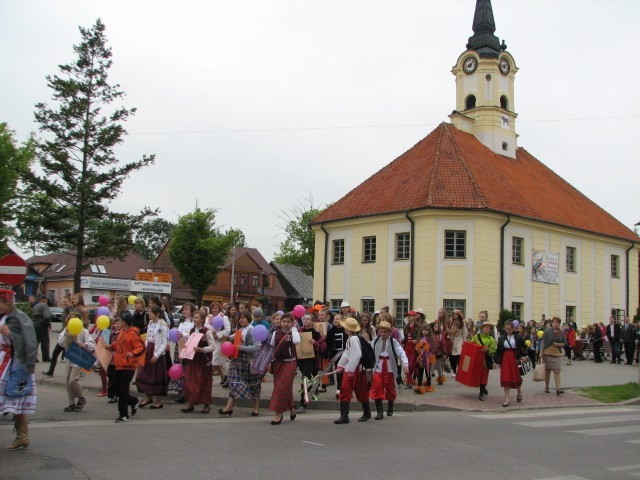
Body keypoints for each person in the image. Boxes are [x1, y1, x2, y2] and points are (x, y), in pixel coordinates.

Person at [0, 288, 37, 450]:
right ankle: (22, 436)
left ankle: (22, 437)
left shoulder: (19, 318)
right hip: (3, 360)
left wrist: (9, 334)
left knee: (17, 400)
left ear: (7, 302)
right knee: (14, 401)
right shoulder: (3, 317)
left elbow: (29, 342)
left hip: (15, 363)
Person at [218, 311, 262, 417]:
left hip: (248, 361)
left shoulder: (252, 331)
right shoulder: (239, 331)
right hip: (237, 360)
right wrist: (225, 338)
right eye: (240, 318)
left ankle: (256, 406)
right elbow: (231, 337)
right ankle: (229, 407)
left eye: (243, 318)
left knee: (252, 384)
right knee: (234, 382)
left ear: (248, 319)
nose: (241, 320)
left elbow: (257, 346)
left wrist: (243, 348)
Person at [106, 314, 145, 422]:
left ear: (125, 322)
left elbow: (141, 347)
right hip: (119, 364)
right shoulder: (123, 332)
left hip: (129, 366)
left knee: (123, 390)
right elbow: (119, 344)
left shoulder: (133, 334)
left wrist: (132, 353)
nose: (117, 323)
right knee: (118, 390)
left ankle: (123, 414)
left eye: (121, 321)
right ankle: (133, 401)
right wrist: (111, 346)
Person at [334, 317, 370, 424]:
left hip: (354, 370)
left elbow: (357, 354)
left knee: (347, 390)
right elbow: (347, 354)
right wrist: (340, 365)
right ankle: (362, 413)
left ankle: (345, 416)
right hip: (355, 369)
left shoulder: (353, 339)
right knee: (357, 391)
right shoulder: (352, 338)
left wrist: (349, 369)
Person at [370, 321, 408, 419]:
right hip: (378, 368)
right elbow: (370, 353)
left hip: (390, 368)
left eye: (385, 332)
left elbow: (401, 352)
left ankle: (390, 406)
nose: (382, 334)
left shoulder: (393, 342)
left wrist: (405, 364)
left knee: (390, 389)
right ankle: (380, 411)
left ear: (389, 332)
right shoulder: (375, 340)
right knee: (377, 387)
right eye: (381, 332)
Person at [268, 313, 301, 425]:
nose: (286, 324)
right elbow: (271, 346)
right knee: (284, 387)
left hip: (290, 363)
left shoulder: (293, 333)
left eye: (288, 322)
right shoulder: (275, 333)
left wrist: (294, 329)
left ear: (292, 323)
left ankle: (279, 413)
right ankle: (291, 407)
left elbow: (297, 341)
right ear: (280, 322)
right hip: (277, 363)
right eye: (284, 321)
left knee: (281, 387)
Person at [58, 316, 95, 412]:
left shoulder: (83, 331)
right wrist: (66, 334)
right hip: (70, 357)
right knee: (68, 382)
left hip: (79, 359)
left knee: (73, 381)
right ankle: (71, 403)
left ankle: (81, 398)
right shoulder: (67, 330)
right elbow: (60, 343)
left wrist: (84, 344)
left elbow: (92, 344)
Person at [181, 311, 215, 414]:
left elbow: (213, 346)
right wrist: (185, 347)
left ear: (202, 319)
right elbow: (191, 343)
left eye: (197, 317)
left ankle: (206, 404)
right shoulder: (192, 330)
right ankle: (191, 403)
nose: (195, 319)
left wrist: (202, 349)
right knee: (190, 381)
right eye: (194, 317)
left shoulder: (207, 331)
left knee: (203, 382)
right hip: (193, 360)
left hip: (203, 360)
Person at [136, 305, 169, 409]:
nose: (149, 314)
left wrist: (157, 355)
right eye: (149, 312)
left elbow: (165, 342)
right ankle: (147, 397)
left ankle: (159, 401)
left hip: (157, 352)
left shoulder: (163, 326)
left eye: (151, 312)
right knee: (145, 373)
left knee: (157, 376)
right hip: (149, 350)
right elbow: (147, 339)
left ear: (158, 314)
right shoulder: (150, 323)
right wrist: (145, 349)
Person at [296, 313, 324, 414]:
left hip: (312, 360)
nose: (305, 320)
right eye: (304, 319)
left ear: (312, 322)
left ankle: (302, 404)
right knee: (309, 379)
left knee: (305, 379)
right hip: (301, 359)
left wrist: (315, 343)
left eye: (308, 319)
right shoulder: (300, 331)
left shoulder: (316, 333)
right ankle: (312, 389)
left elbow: (323, 347)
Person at [495, 321, 527, 407]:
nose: (508, 331)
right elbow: (498, 350)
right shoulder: (501, 338)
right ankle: (507, 398)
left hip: (514, 358)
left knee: (515, 376)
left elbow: (523, 347)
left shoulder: (518, 337)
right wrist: (495, 360)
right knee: (506, 377)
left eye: (510, 329)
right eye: (507, 329)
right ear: (504, 329)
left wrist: (524, 356)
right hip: (505, 358)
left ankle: (519, 391)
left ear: (513, 328)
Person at [170, 303, 195, 403]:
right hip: (179, 347)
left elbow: (193, 334)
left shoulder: (193, 323)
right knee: (179, 369)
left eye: (187, 309)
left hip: (188, 348)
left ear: (192, 311)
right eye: (183, 310)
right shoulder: (182, 322)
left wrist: (183, 334)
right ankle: (180, 393)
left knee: (187, 370)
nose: (184, 311)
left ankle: (187, 393)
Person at [42, 294, 71, 377]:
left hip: (69, 334)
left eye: (66, 302)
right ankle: (50, 371)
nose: (64, 303)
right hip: (64, 333)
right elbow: (64, 323)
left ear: (70, 302)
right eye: (63, 301)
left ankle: (78, 372)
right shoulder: (65, 310)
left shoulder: (71, 310)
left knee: (73, 355)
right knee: (55, 353)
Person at [470, 321, 497, 401]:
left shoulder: (491, 339)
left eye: (489, 328)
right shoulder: (477, 336)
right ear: (482, 328)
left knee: (484, 376)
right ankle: (483, 388)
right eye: (486, 327)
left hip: (486, 360)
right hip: (477, 360)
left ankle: (481, 393)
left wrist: (488, 349)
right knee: (477, 375)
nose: (488, 329)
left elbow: (493, 351)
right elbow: (471, 344)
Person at [541, 317, 566, 395]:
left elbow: (564, 343)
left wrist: (558, 344)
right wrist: (541, 352)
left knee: (557, 371)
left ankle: (558, 389)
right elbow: (543, 342)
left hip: (557, 354)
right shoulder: (547, 331)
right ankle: (547, 386)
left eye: (557, 323)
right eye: (554, 322)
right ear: (552, 323)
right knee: (547, 371)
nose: (556, 324)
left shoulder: (561, 333)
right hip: (547, 353)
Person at [208, 302, 231, 387]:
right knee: (215, 361)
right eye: (212, 308)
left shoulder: (224, 317)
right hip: (211, 341)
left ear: (219, 309)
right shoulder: (209, 318)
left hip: (219, 342)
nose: (214, 310)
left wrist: (218, 335)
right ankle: (224, 376)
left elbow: (228, 330)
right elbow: (207, 328)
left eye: (216, 308)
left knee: (213, 360)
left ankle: (209, 379)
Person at [326, 313, 347, 398]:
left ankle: (340, 388)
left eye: (338, 319)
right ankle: (339, 388)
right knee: (337, 371)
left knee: (341, 372)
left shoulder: (345, 330)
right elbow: (328, 343)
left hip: (343, 354)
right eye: (334, 318)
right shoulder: (331, 331)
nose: (335, 320)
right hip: (334, 354)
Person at [402, 311, 420, 386]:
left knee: (411, 365)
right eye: (408, 315)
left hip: (414, 347)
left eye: (410, 315)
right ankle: (409, 381)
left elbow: (420, 336)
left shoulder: (418, 326)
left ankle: (419, 373)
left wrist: (417, 341)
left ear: (414, 317)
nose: (408, 317)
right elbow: (405, 338)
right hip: (407, 346)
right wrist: (401, 342)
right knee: (408, 364)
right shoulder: (406, 326)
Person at [447, 309, 467, 377]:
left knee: (459, 355)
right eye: (454, 314)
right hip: (452, 340)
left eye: (456, 314)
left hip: (459, 339)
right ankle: (454, 371)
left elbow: (464, 332)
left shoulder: (462, 323)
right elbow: (449, 331)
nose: (455, 316)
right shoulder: (452, 322)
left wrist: (465, 341)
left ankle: (459, 369)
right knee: (452, 356)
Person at [31, 295, 51, 362]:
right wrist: (48, 324)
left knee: (36, 341)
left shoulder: (36, 306)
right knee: (45, 341)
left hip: (34, 324)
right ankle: (46, 357)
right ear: (45, 300)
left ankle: (34, 357)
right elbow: (46, 316)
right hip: (42, 324)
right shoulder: (44, 305)